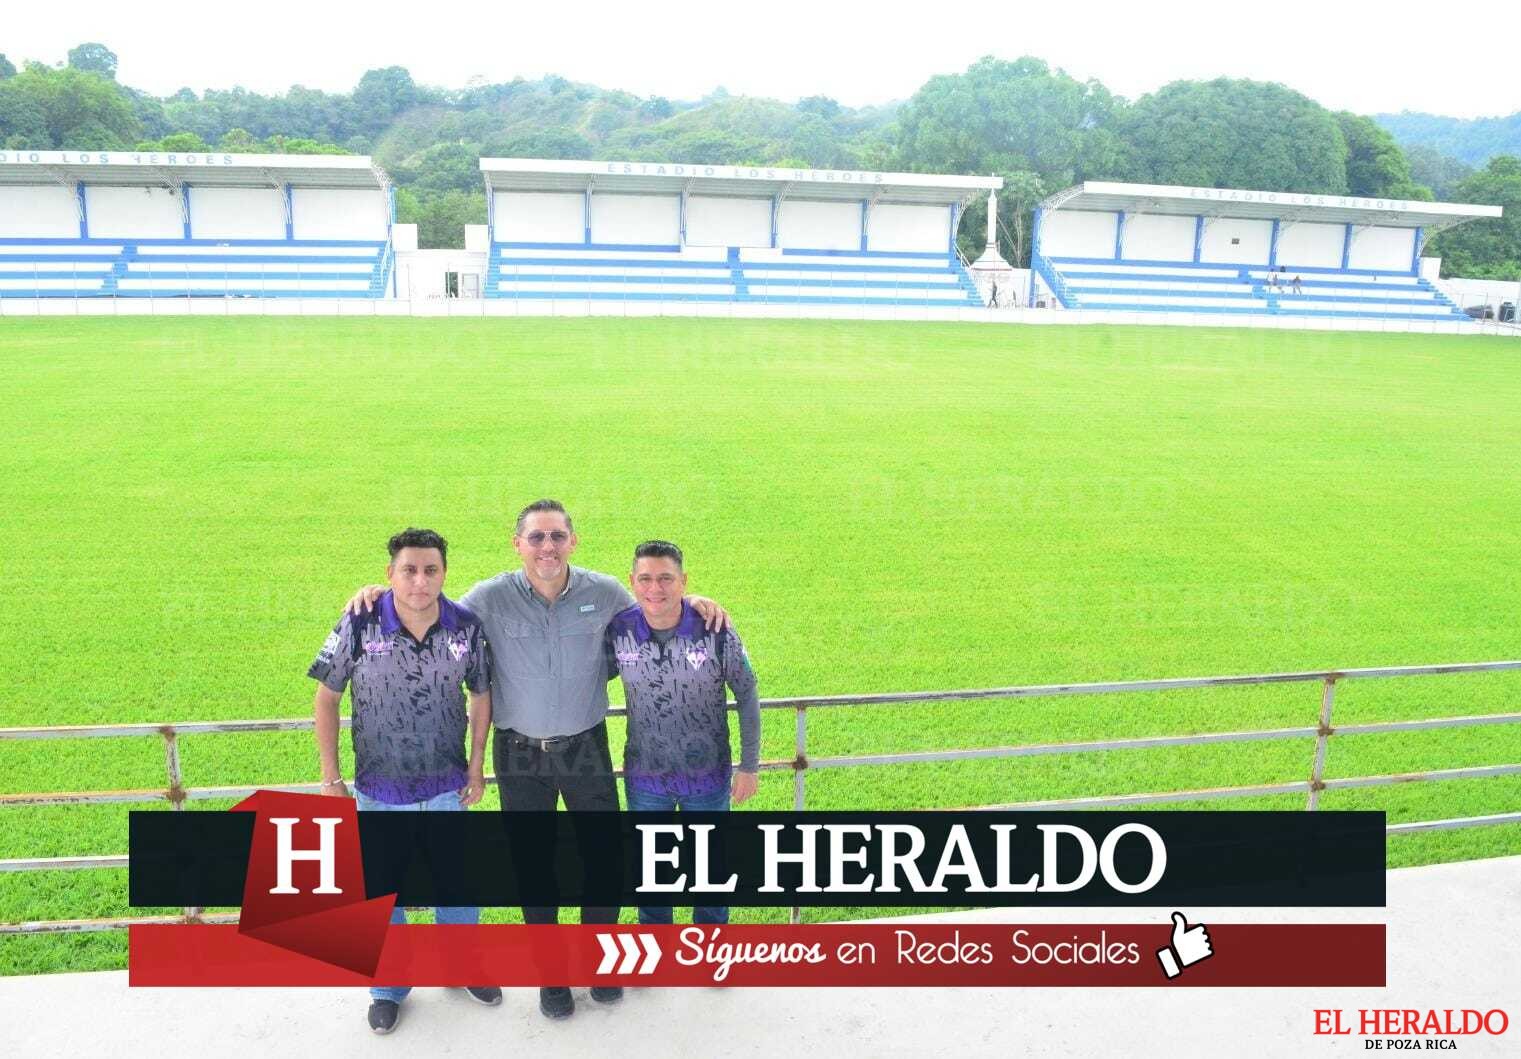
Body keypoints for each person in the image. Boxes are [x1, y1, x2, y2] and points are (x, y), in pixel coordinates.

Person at [345, 499, 727, 1021]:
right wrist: (376, 594)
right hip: (518, 753)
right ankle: (552, 978)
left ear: (573, 541)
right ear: (518, 544)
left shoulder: (606, 593)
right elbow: (424, 600)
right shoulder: (489, 598)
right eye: (536, 538)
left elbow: (655, 607)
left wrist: (695, 598)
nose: (547, 547)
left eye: (556, 537)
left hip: (585, 746)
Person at [309, 527, 498, 1036]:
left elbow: (481, 696)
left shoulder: (466, 627)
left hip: (445, 784)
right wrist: (331, 777)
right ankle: (388, 988)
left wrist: (478, 763)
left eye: (430, 570)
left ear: (443, 573)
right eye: (409, 570)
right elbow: (327, 697)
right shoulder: (359, 620)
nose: (420, 580)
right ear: (389, 574)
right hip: (378, 785)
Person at [606, 540, 760, 927]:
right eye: (645, 579)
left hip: (707, 776)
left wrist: (750, 765)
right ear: (632, 581)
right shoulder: (619, 629)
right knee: (653, 874)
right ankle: (657, 950)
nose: (655, 588)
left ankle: (708, 950)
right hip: (645, 777)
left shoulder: (715, 627)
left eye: (665, 579)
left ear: (683, 581)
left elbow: (747, 691)